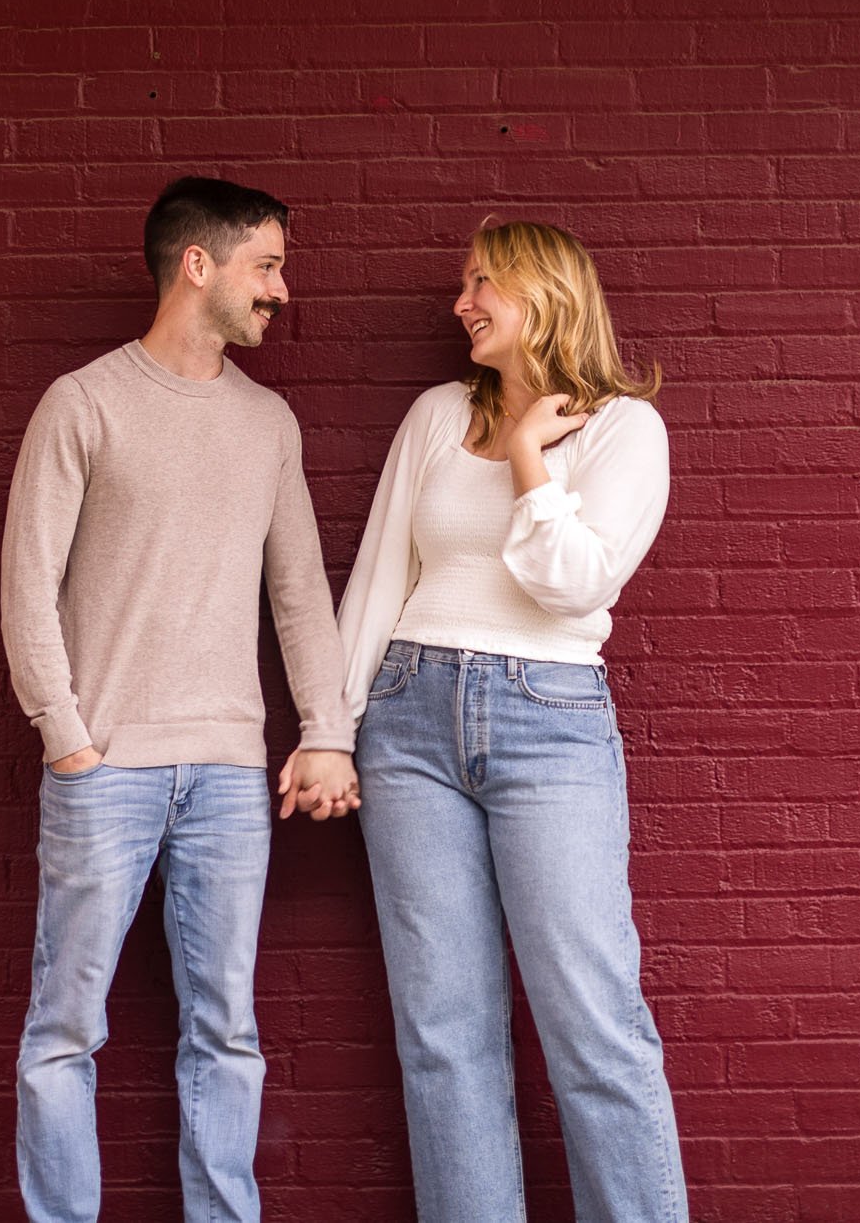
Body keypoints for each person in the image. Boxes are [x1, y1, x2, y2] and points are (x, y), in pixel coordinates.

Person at [0, 175, 362, 1223]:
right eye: (267, 264)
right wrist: (67, 737)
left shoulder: (267, 421)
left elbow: (299, 594)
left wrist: (326, 730)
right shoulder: (84, 403)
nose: (281, 291)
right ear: (197, 264)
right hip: (103, 767)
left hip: (228, 777)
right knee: (66, 1027)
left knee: (228, 1032)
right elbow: (27, 586)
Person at [335, 219, 689, 1222]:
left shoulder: (624, 428)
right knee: (442, 1031)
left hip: (548, 720)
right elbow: (376, 580)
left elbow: (571, 589)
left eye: (482, 282)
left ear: (545, 293)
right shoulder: (437, 414)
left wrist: (531, 453)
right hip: (406, 719)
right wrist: (331, 723)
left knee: (593, 1017)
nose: (462, 302)